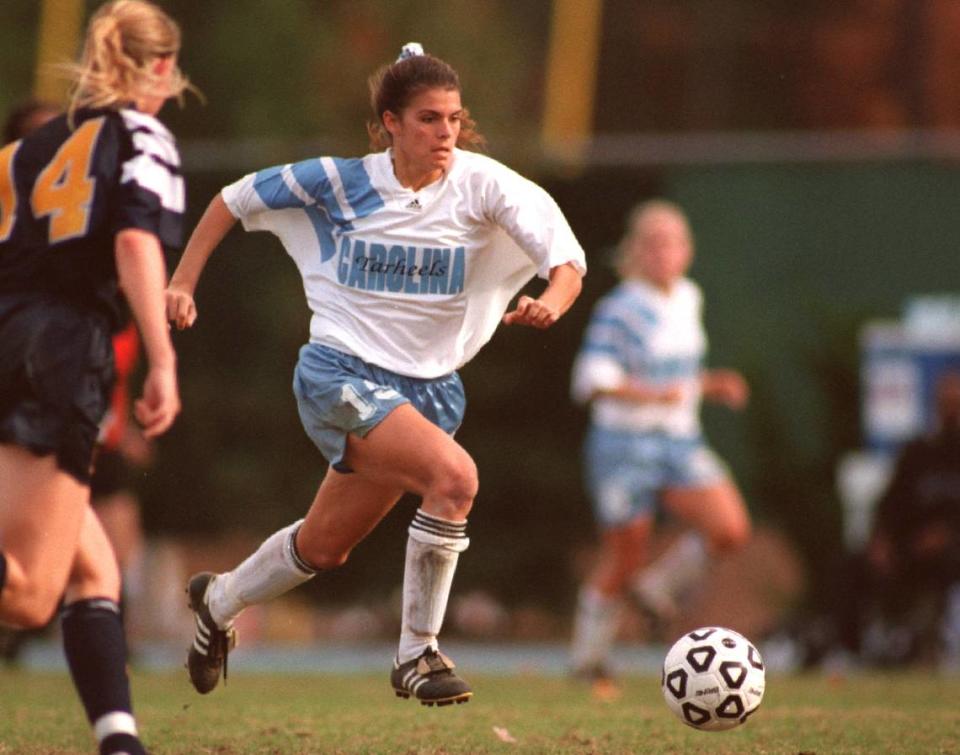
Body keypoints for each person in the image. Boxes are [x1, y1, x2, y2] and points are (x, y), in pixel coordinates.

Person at [166, 42, 586, 706]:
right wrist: (183, 282)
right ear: (389, 122)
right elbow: (231, 199)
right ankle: (417, 652)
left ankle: (218, 602)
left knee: (324, 546)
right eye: (427, 119)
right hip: (338, 371)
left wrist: (550, 304)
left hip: (429, 391)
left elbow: (565, 263)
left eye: (452, 117)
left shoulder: (485, 185)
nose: (445, 132)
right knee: (456, 479)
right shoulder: (338, 181)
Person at [0, 2, 190, 752]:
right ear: (163, 68)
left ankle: (120, 740)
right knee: (27, 592)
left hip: (8, 330)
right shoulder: (142, 134)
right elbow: (137, 244)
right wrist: (162, 357)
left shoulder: (30, 145)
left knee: (93, 566)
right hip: (58, 345)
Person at [568, 199, 751, 688]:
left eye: (672, 241)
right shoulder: (620, 309)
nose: (663, 252)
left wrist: (710, 384)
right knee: (625, 554)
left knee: (729, 529)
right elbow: (592, 381)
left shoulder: (689, 298)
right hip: (624, 445)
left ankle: (658, 588)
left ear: (687, 250)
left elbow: (679, 374)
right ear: (635, 251)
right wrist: (650, 394)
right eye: (653, 243)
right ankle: (589, 660)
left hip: (678, 440)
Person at [834, 370, 960, 667]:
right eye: (946, 404)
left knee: (943, 560)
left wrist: (950, 534)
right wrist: (881, 540)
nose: (951, 412)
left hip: (950, 551)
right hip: (910, 546)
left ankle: (933, 648)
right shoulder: (919, 453)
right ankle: (852, 652)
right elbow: (890, 504)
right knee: (850, 567)